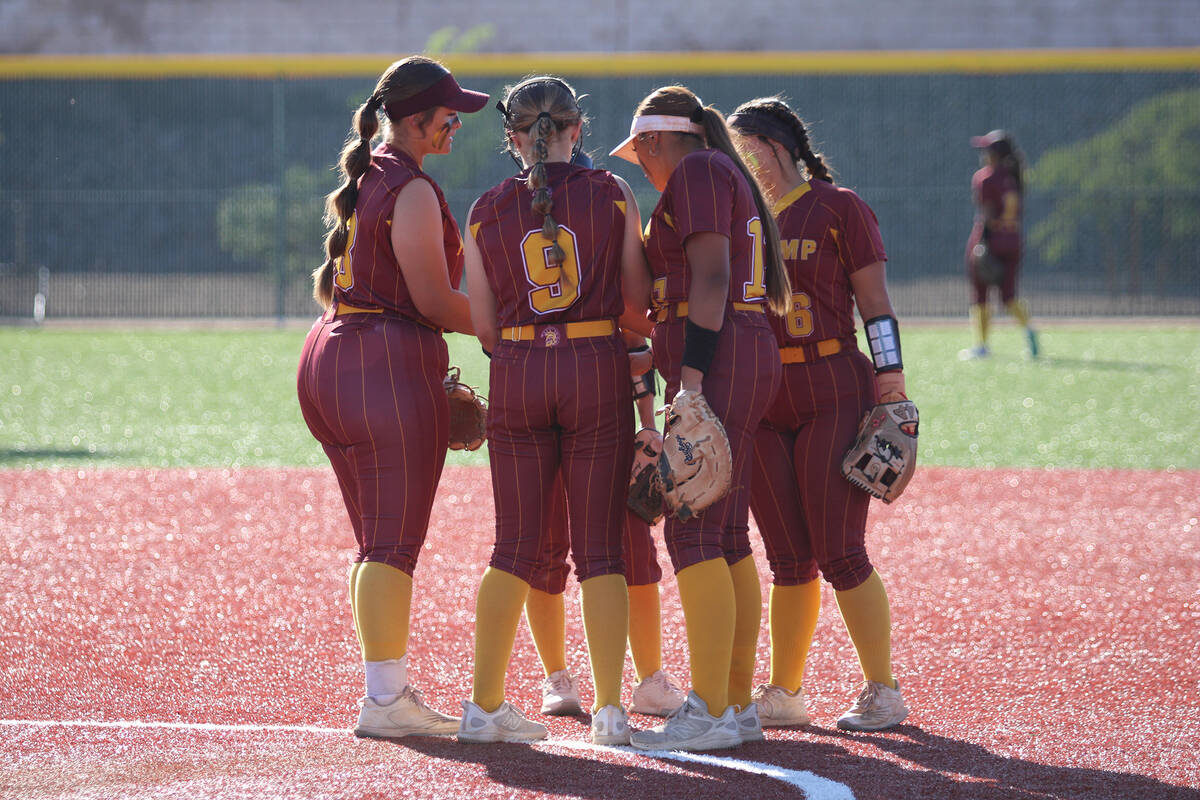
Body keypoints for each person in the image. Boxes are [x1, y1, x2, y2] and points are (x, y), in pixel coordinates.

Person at [295, 55, 488, 739]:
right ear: (414, 120)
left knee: (376, 543)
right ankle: (384, 701)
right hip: (381, 363)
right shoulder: (409, 188)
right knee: (391, 547)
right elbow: (434, 300)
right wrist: (510, 326)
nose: (456, 123)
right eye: (448, 113)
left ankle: (386, 690)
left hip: (331, 356)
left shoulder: (368, 176)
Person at [459, 76, 652, 745]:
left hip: (516, 367)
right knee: (600, 549)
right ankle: (608, 711)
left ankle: (483, 706)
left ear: (510, 136)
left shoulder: (484, 209)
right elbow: (636, 306)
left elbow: (482, 326)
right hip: (595, 364)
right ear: (579, 129)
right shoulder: (613, 194)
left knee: (512, 546)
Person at [609, 85, 789, 751]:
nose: (642, 167)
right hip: (734, 353)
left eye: (640, 154)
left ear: (656, 139)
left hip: (720, 358)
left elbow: (710, 278)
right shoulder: (712, 169)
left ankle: (711, 707)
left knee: (694, 536)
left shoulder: (699, 169)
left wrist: (689, 383)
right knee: (726, 536)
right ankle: (735, 702)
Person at [727, 96, 910, 731]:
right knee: (787, 557)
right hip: (763, 393)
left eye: (748, 148)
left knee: (838, 549)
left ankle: (882, 688)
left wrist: (891, 374)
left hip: (832, 381)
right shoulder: (739, 213)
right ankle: (786, 690)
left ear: (780, 146)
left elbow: (876, 303)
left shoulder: (839, 206)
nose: (743, 162)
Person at [526, 332, 686, 721]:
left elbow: (632, 336)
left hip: (602, 410)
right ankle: (556, 676)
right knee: (543, 547)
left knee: (632, 547)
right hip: (536, 403)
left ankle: (649, 677)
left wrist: (648, 426)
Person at [961, 129, 1038, 360]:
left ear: (995, 154)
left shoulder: (985, 177)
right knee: (1009, 295)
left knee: (980, 293)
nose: (983, 154)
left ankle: (982, 345)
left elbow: (985, 211)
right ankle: (1030, 333)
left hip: (990, 239)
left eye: (987, 150)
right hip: (1013, 239)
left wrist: (983, 241)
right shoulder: (1014, 177)